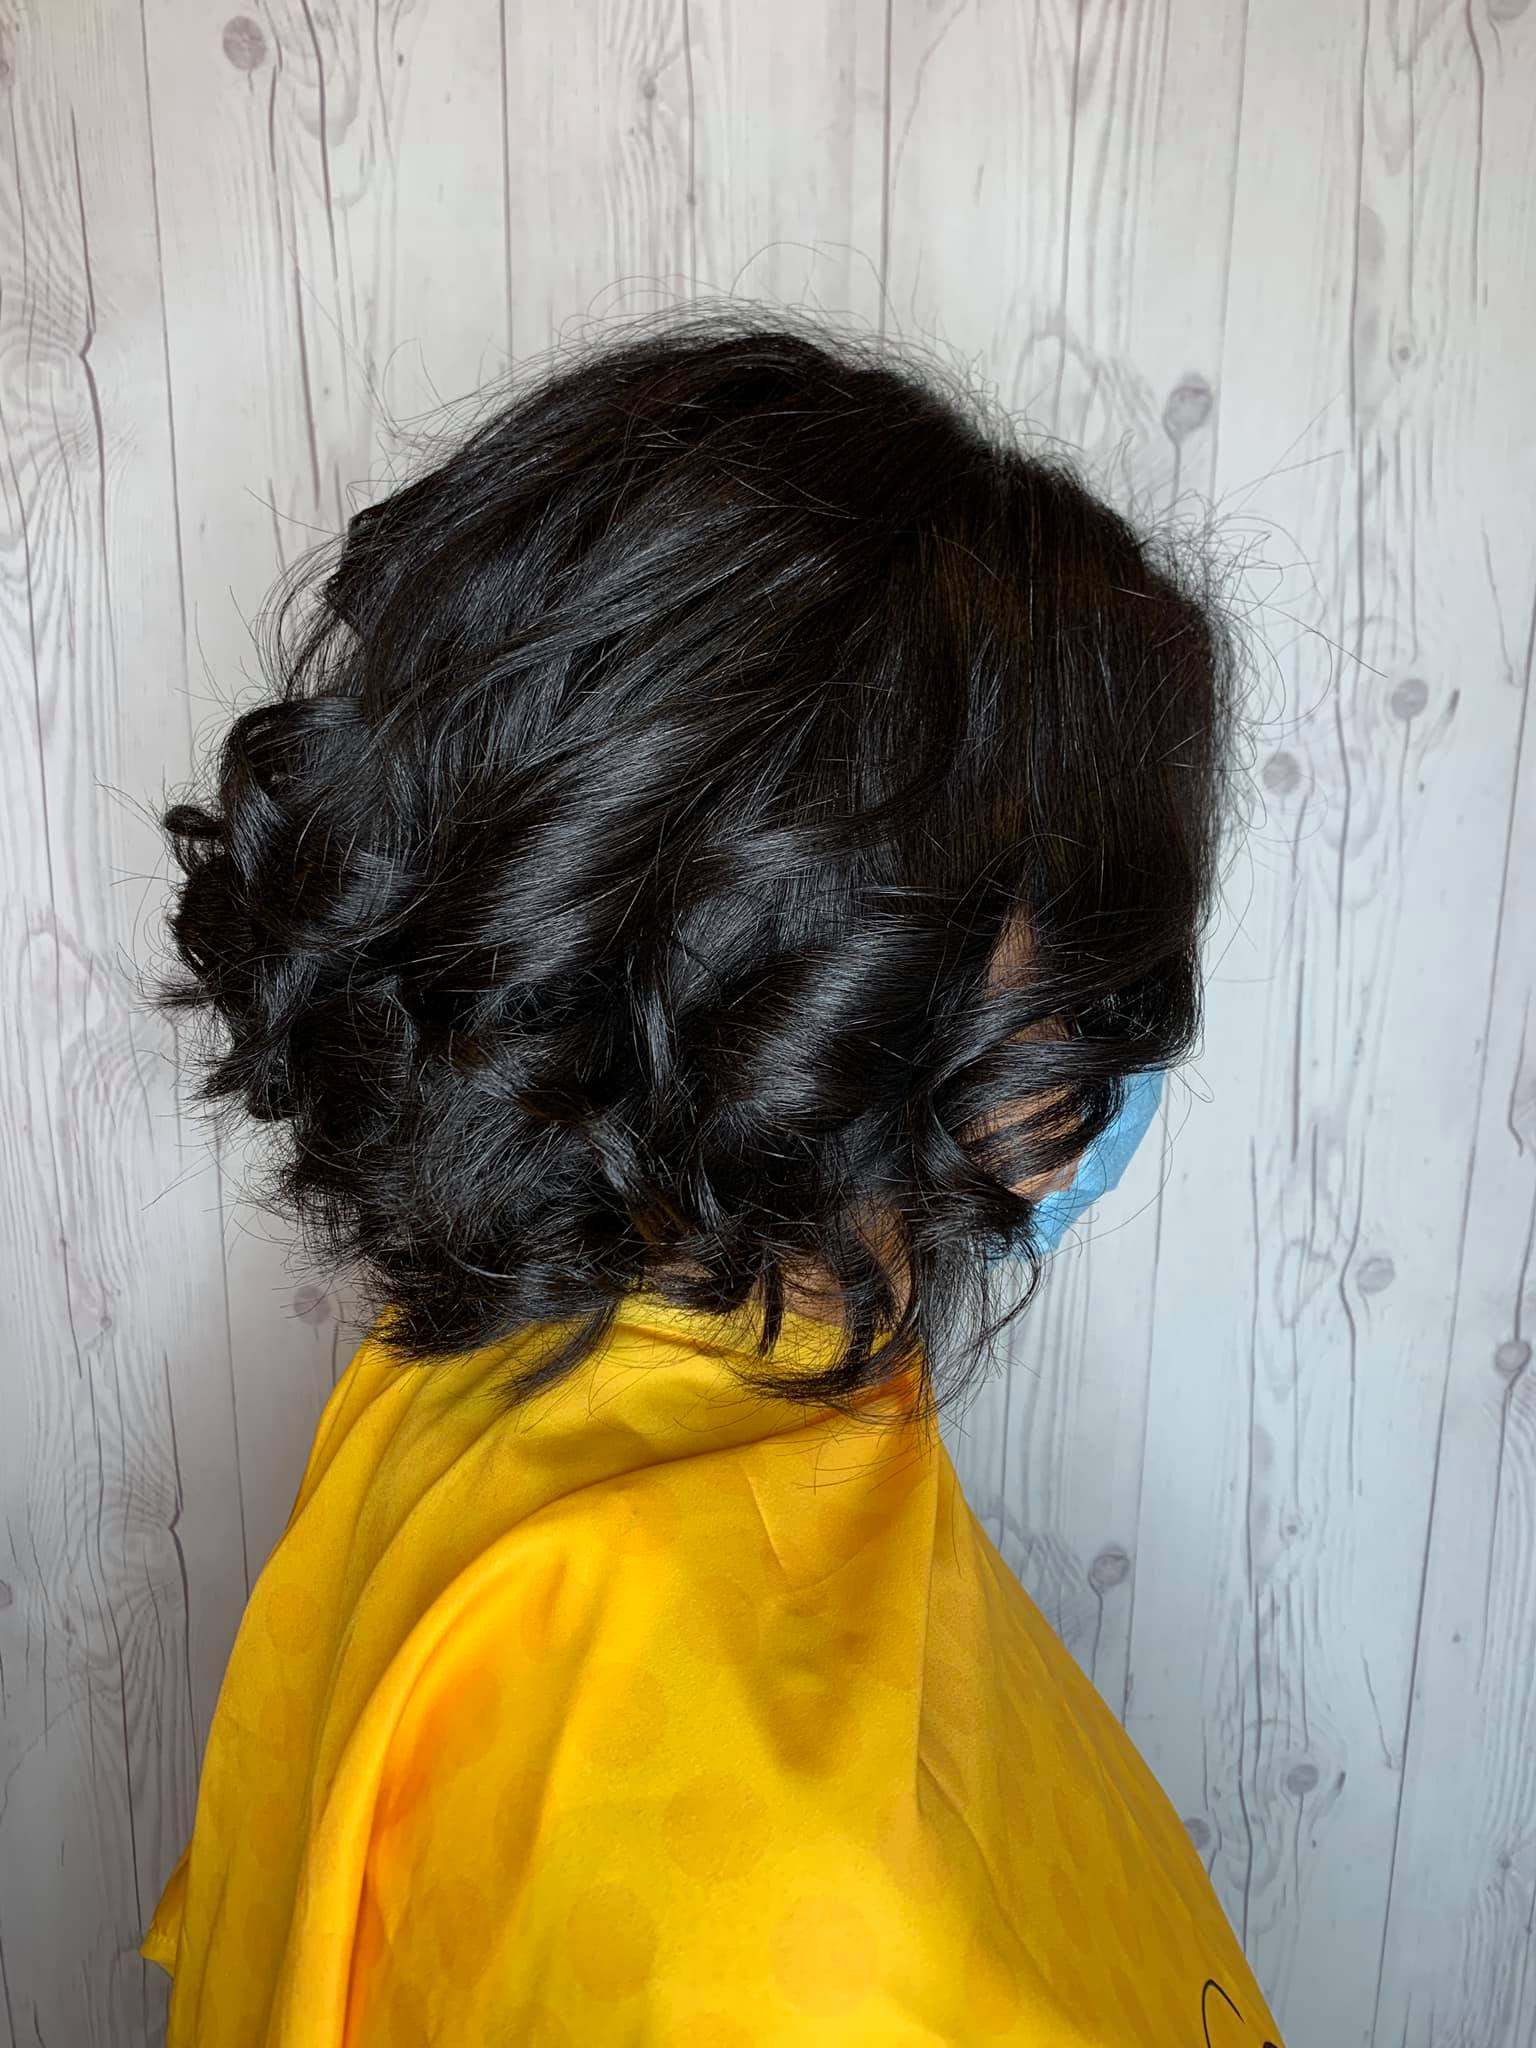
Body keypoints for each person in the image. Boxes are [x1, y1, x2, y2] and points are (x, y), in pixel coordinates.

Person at [142, 309, 1282, 2046]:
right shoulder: (815, 1930)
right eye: (1101, 962)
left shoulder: (477, 1375)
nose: (1126, 1042)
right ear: (849, 992)